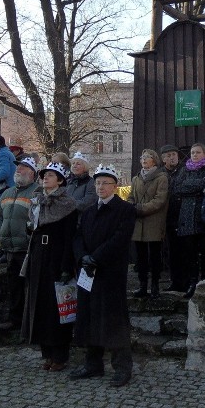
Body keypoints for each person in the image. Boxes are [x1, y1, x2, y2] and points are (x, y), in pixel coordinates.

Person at [71, 164, 137, 387]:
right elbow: (78, 237)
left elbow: (119, 239)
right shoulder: (89, 211)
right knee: (89, 315)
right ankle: (93, 363)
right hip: (88, 272)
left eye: (105, 183)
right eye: (98, 183)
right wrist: (83, 257)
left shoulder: (125, 210)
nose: (100, 187)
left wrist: (96, 257)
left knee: (114, 318)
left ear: (115, 186)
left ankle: (122, 367)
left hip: (110, 272)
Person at [22, 162, 79, 372]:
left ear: (61, 180)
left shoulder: (67, 203)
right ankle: (46, 353)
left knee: (56, 309)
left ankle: (60, 355)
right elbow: (32, 227)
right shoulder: (37, 201)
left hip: (56, 257)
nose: (45, 178)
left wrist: (66, 265)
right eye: (44, 175)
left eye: (51, 175)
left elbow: (69, 237)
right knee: (39, 304)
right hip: (38, 255)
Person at [0, 156, 40, 332]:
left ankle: (31, 324)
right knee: (14, 287)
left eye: (23, 167)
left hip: (27, 249)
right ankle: (15, 320)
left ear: (32, 173)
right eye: (18, 167)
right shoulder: (7, 192)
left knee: (31, 287)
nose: (18, 170)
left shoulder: (37, 192)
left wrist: (30, 237)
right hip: (9, 248)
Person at [172, 143, 205, 298]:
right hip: (187, 216)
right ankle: (193, 283)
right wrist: (199, 186)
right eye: (192, 153)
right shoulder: (185, 169)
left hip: (203, 215)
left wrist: (192, 187)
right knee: (190, 253)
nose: (194, 155)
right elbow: (178, 187)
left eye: (197, 152)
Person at [128, 149, 169, 298]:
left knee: (154, 256)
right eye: (142, 157)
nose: (144, 160)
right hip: (139, 223)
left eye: (148, 157)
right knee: (141, 257)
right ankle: (142, 285)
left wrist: (140, 208)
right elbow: (131, 196)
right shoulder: (136, 179)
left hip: (154, 221)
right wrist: (131, 205)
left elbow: (160, 200)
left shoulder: (161, 178)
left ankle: (155, 286)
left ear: (154, 160)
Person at [159, 144, 186, 291]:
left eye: (174, 155)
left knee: (185, 250)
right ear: (163, 159)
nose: (172, 158)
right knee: (171, 251)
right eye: (168, 155)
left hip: (183, 215)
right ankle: (175, 282)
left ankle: (187, 282)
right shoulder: (160, 174)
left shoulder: (184, 170)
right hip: (167, 217)